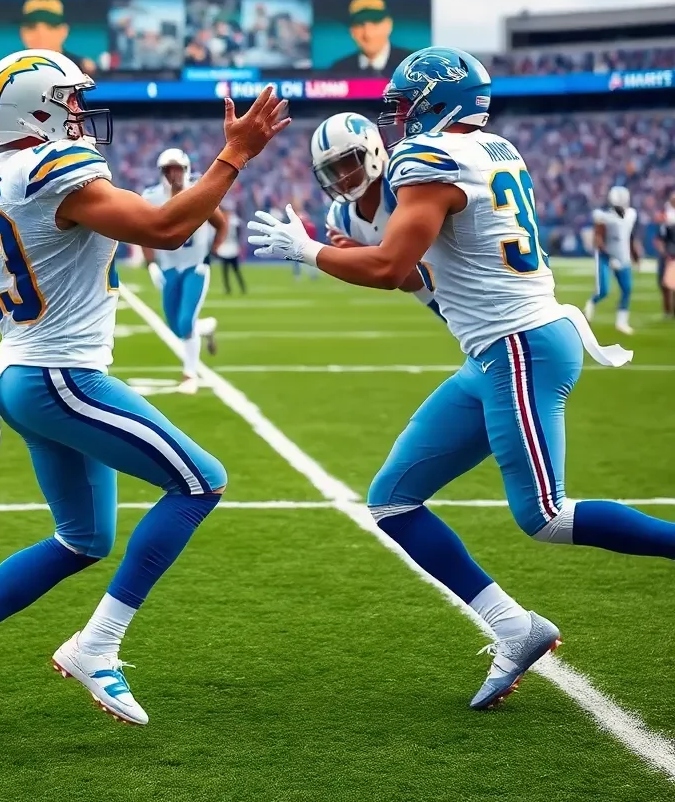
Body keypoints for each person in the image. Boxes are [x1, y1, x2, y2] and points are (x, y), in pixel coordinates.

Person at [249, 46, 675, 711]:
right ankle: (515, 627)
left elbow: (396, 268)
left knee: (545, 515)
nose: (396, 120)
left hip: (521, 346)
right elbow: (421, 272)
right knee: (392, 499)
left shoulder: (431, 160)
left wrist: (310, 249)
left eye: (404, 104)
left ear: (433, 100)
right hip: (494, 353)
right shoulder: (495, 148)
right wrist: (339, 241)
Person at [0, 49, 289, 747]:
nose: (80, 112)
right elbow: (164, 229)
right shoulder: (52, 171)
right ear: (38, 108)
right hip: (59, 377)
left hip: (21, 375)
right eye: (70, 100)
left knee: (84, 538)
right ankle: (96, 646)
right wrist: (232, 160)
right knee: (200, 482)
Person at [312, 113, 440, 317]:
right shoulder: (340, 218)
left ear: (373, 149)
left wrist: (364, 254)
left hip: (480, 299)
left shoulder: (406, 186)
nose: (342, 176)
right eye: (332, 170)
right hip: (445, 307)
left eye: (348, 162)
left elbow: (417, 278)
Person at [142, 149, 226, 393]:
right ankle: (207, 327)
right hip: (169, 267)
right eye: (169, 170)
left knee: (185, 321)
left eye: (178, 169)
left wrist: (210, 256)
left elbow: (221, 224)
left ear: (187, 170)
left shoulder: (198, 193)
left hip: (194, 266)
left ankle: (190, 375)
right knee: (176, 327)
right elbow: (143, 232)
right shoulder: (152, 197)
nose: (174, 175)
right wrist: (152, 264)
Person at [584, 186, 639, 335]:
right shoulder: (603, 217)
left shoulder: (631, 215)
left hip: (623, 255)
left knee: (627, 289)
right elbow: (599, 240)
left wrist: (636, 256)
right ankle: (590, 304)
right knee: (603, 290)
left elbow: (630, 236)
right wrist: (610, 257)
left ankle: (621, 322)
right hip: (605, 256)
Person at [328, 0, 413, 78]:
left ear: (389, 25)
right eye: (360, 24)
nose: (368, 34)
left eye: (375, 23)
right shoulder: (338, 71)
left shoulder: (413, 64)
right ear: (352, 31)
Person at [18, 0, 96, 75]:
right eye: (32, 27)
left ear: (64, 31)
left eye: (50, 27)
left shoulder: (81, 70)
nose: (41, 34)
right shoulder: (9, 69)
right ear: (22, 32)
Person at [215, 206, 246, 294]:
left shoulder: (230, 221)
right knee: (227, 271)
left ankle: (241, 287)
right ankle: (229, 288)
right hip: (226, 248)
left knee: (234, 270)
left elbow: (239, 232)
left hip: (231, 247)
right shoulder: (230, 221)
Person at [654, 192, 675, 317]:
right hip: (668, 252)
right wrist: (663, 252)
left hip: (671, 253)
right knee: (663, 283)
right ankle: (667, 310)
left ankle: (670, 311)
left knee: (669, 282)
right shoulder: (665, 215)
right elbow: (660, 237)